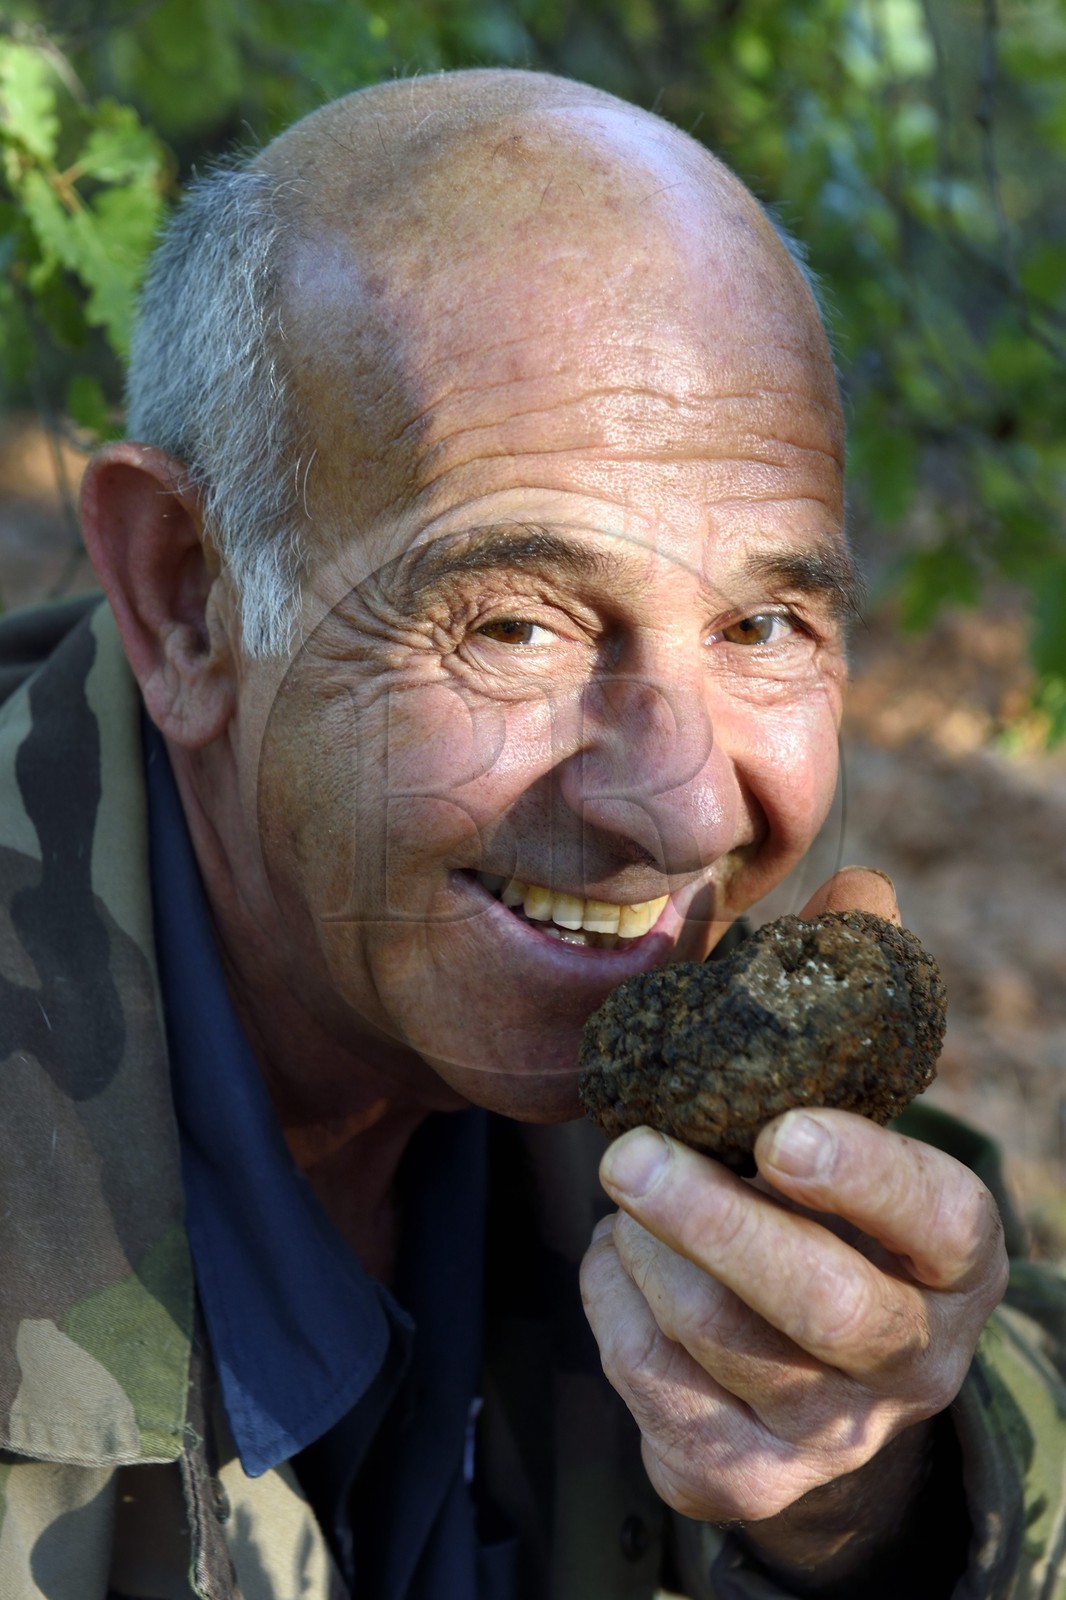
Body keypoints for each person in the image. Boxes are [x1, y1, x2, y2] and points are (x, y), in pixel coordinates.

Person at [0, 67, 1062, 1600]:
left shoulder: (685, 1097)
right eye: (512, 624)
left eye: (761, 621)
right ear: (187, 599)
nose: (691, 807)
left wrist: (862, 1487)